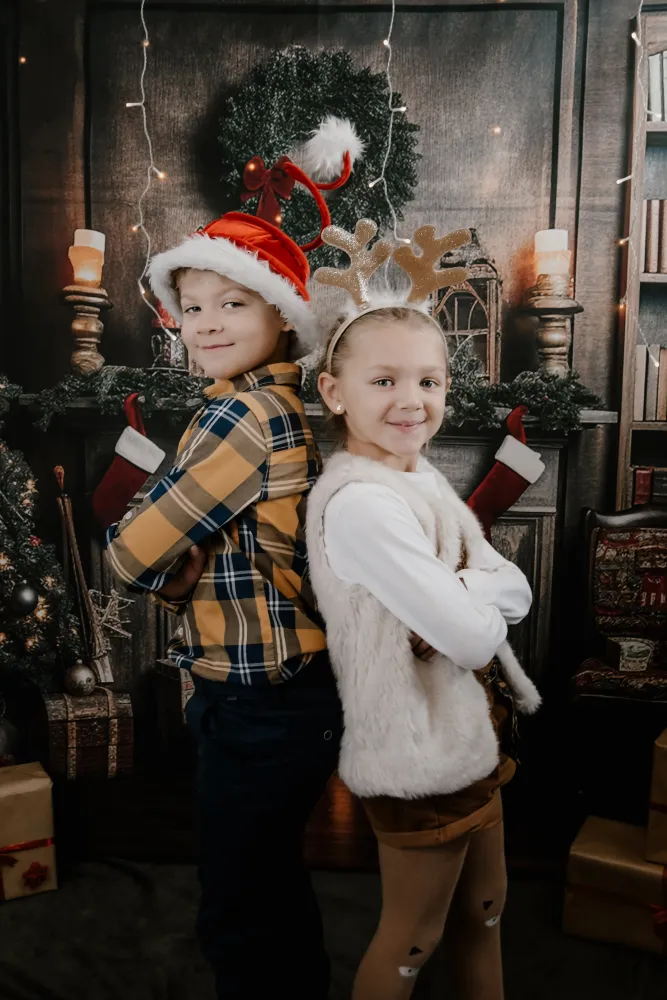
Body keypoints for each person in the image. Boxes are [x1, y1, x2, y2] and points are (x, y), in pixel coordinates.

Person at [104, 133, 360, 1000]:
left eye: (232, 304)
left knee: (240, 902)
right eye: (192, 307)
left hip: (260, 702)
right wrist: (178, 564)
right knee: (268, 882)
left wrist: (162, 566)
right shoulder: (276, 403)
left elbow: (130, 552)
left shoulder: (238, 418)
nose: (206, 323)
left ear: (281, 316)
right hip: (286, 693)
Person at [306, 221, 541, 1000]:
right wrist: (468, 598)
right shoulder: (362, 504)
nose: (411, 401)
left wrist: (462, 594)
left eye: (429, 382)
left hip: (468, 736)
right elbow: (473, 637)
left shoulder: (418, 478)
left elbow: (512, 586)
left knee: (484, 910)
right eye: (383, 381)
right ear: (334, 392)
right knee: (413, 938)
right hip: (415, 757)